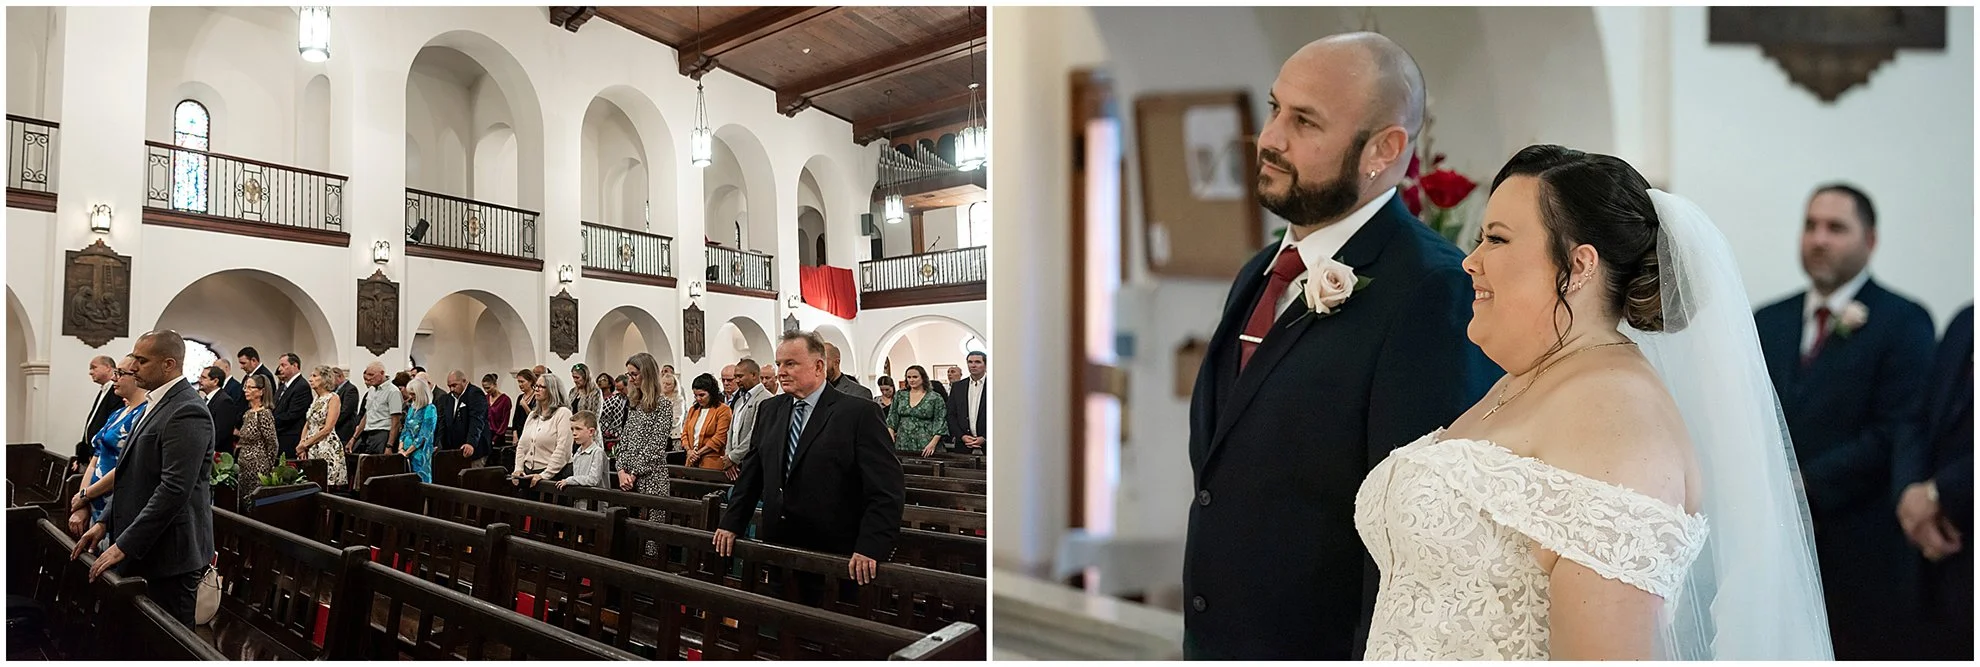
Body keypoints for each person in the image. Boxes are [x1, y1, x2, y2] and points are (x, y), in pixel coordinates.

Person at [1354, 145, 1830, 659]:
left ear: (1579, 264)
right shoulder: (1532, 378)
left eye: (1496, 239)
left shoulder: (1618, 416)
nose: (1470, 262)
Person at [1184, 33, 1497, 661]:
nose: (1270, 137)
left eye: (1304, 121)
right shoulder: (1258, 272)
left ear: (1384, 149)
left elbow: (1415, 538)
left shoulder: (1430, 292)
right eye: (1275, 108)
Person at [1754, 184, 1936, 659]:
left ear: (1870, 241)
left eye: (1836, 228)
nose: (1819, 239)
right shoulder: (1766, 320)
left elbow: (1896, 428)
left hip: (1861, 545)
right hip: (1773, 543)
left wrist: (1803, 484)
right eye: (1811, 225)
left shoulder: (1905, 322)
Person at [715, 330, 905, 602]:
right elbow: (752, 475)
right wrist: (732, 522)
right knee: (784, 629)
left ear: (819, 366)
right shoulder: (770, 410)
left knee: (828, 634)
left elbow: (887, 489)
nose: (781, 372)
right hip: (780, 546)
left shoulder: (858, 413)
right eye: (779, 364)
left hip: (835, 553)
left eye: (790, 364)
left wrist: (871, 546)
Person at [72, 330, 215, 628]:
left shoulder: (187, 409)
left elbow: (173, 489)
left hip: (171, 557)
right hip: (147, 547)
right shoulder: (155, 402)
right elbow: (131, 474)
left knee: (166, 647)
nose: (133, 367)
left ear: (169, 364)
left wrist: (123, 545)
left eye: (141, 360)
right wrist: (104, 522)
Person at [1895, 304, 1974, 659]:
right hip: (1933, 557)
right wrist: (1911, 493)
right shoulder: (1965, 320)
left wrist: (1940, 492)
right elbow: (1918, 414)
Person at [68, 356, 147, 538]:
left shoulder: (143, 415)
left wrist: (86, 495)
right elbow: (96, 460)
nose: (114, 378)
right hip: (94, 501)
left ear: (137, 377)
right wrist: (84, 502)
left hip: (116, 506)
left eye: (120, 373)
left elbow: (126, 468)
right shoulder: (118, 413)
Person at [615, 353, 675, 503]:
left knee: (651, 524)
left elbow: (656, 445)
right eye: (629, 375)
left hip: (652, 479)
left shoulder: (663, 405)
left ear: (647, 374)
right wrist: (621, 471)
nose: (630, 379)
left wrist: (634, 474)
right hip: (627, 479)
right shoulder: (635, 403)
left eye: (634, 374)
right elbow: (624, 441)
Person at [513, 371, 573, 490]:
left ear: (552, 390)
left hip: (554, 476)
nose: (536, 389)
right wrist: (518, 468)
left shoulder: (563, 413)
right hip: (529, 473)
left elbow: (562, 449)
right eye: (536, 386)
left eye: (541, 387)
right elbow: (522, 446)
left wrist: (545, 474)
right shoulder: (533, 415)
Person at [295, 365, 347, 487]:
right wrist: (302, 442)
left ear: (324, 379)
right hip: (311, 446)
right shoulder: (316, 399)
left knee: (326, 484)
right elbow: (308, 423)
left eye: (314, 376)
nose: (310, 379)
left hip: (326, 446)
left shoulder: (333, 398)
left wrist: (306, 444)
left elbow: (328, 428)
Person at [71, 355, 121, 476]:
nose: (90, 372)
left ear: (108, 367)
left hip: (101, 455)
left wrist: (95, 453)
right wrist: (81, 456)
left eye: (94, 368)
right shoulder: (103, 391)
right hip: (90, 454)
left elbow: (109, 424)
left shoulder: (116, 392)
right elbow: (92, 424)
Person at [235, 374, 278, 507]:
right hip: (244, 466)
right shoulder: (248, 413)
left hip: (258, 468)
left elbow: (272, 444)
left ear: (261, 391)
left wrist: (267, 466)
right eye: (245, 387)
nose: (245, 390)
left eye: (250, 387)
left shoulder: (264, 414)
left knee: (252, 505)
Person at [886, 365, 949, 456]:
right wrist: (890, 437)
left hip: (927, 444)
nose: (911, 380)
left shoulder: (935, 397)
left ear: (923, 378)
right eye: (909, 377)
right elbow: (892, 417)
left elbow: (940, 422)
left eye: (915, 377)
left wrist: (933, 444)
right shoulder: (900, 395)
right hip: (902, 443)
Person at [727, 359, 773, 480]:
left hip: (753, 463)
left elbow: (755, 434)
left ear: (753, 375)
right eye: (735, 377)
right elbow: (731, 431)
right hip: (736, 463)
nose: (737, 381)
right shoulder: (739, 400)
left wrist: (733, 457)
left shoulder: (765, 399)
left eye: (740, 376)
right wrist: (728, 455)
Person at [554, 410, 609, 510]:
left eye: (578, 429)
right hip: (580, 504)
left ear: (591, 431)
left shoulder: (597, 453)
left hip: (595, 506)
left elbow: (593, 479)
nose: (574, 433)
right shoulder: (577, 453)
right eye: (572, 429)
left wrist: (570, 480)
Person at [682, 373, 733, 471]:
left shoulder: (723, 410)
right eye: (695, 395)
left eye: (702, 395)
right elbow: (685, 434)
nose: (698, 399)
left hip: (711, 462)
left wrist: (698, 453)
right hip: (691, 460)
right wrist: (689, 451)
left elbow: (720, 438)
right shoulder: (693, 409)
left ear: (711, 393)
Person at [440, 370, 489, 462]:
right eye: (449, 386)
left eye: (454, 385)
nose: (451, 389)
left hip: (474, 448)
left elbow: (477, 420)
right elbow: (445, 422)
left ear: (464, 381)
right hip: (455, 450)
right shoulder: (448, 398)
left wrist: (471, 443)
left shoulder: (475, 394)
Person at [270, 353, 311, 459]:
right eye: (279, 365)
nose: (279, 369)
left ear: (295, 366)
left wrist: (269, 421)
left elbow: (293, 414)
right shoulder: (283, 385)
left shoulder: (302, 386)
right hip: (279, 435)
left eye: (283, 365)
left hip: (290, 437)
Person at [947, 351, 989, 455]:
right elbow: (951, 415)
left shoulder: (995, 385)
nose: (973, 365)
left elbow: (1001, 416)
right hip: (963, 444)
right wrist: (962, 436)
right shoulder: (957, 387)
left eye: (978, 362)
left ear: (985, 365)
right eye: (970, 362)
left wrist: (985, 437)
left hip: (990, 444)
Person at [199, 366, 244, 458]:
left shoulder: (224, 401)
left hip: (218, 457)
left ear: (215, 381)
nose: (200, 380)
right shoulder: (208, 399)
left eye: (204, 378)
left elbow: (221, 434)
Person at [401, 377, 438, 483]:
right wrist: (401, 448)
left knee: (420, 481)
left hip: (419, 454)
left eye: (413, 394)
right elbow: (406, 428)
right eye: (410, 394)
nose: (411, 397)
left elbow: (424, 435)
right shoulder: (412, 408)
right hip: (405, 452)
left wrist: (407, 452)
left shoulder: (430, 409)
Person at [483, 373, 512, 452]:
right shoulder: (485, 398)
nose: (486, 390)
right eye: (484, 388)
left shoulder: (505, 400)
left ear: (495, 384)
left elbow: (504, 422)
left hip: (498, 436)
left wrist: (495, 438)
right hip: (486, 435)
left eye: (488, 388)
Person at [600, 374, 628, 453]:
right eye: (617, 389)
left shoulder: (632, 400)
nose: (619, 392)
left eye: (621, 389)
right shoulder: (616, 398)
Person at [332, 365, 360, 446]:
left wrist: (331, 423)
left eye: (332, 379)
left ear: (339, 376)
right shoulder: (334, 390)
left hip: (344, 429)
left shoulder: (350, 389)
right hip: (336, 429)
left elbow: (346, 411)